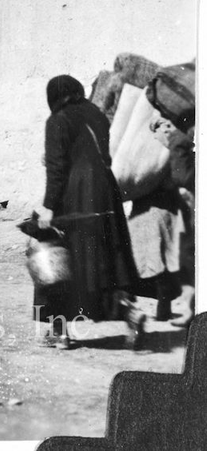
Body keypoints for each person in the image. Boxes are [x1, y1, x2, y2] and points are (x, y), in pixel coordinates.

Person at [34, 74, 145, 349]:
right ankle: (129, 313)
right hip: (106, 193)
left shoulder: (57, 120)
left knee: (58, 256)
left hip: (76, 194)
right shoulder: (95, 113)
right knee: (105, 261)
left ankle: (59, 331)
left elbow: (57, 169)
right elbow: (100, 154)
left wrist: (49, 206)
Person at [146, 116, 196, 326]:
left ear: (165, 127)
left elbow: (182, 179)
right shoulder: (177, 142)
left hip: (185, 207)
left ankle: (189, 311)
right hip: (180, 209)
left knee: (185, 257)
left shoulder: (177, 142)